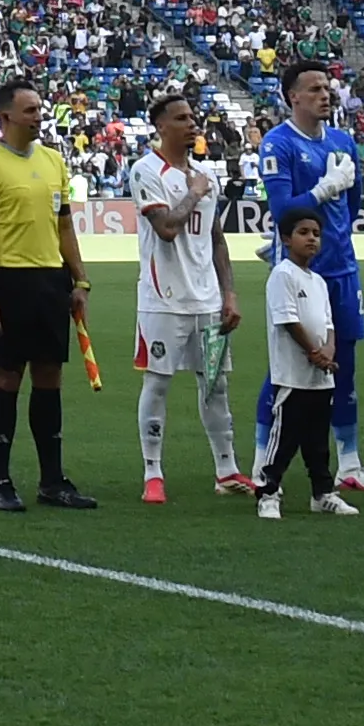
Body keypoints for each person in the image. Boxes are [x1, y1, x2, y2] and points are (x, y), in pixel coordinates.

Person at [0, 75, 94, 513]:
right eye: (30, 110)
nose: (39, 116)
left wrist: (79, 280)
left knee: (49, 378)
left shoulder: (54, 161)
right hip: (8, 282)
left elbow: (64, 226)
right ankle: (0, 481)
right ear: (6, 116)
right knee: (7, 377)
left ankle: (52, 480)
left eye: (40, 109)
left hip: (51, 282)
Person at [251, 62, 364, 490]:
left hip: (342, 269)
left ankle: (349, 464)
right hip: (301, 273)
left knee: (343, 365)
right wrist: (324, 188)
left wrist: (334, 225)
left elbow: (352, 204)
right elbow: (282, 210)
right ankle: (262, 461)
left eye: (327, 88)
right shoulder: (278, 143)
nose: (325, 95)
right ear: (293, 96)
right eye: (314, 89)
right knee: (287, 371)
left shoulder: (343, 141)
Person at [126, 90, 240, 504]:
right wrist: (193, 192)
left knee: (215, 385)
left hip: (207, 302)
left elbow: (216, 239)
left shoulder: (206, 174)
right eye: (181, 118)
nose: (192, 124)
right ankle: (152, 473)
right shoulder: (146, 171)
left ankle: (226, 470)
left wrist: (229, 293)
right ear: (160, 126)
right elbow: (167, 229)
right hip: (163, 301)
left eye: (193, 117)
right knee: (158, 383)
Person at [255, 206, 352, 519]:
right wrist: (314, 352)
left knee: (318, 440)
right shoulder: (282, 275)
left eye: (316, 234)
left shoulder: (318, 281)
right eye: (303, 232)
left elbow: (328, 323)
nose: (312, 239)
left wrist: (329, 350)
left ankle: (323, 493)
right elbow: (288, 320)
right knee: (285, 437)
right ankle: (268, 492)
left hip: (321, 377)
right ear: (286, 239)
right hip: (293, 374)